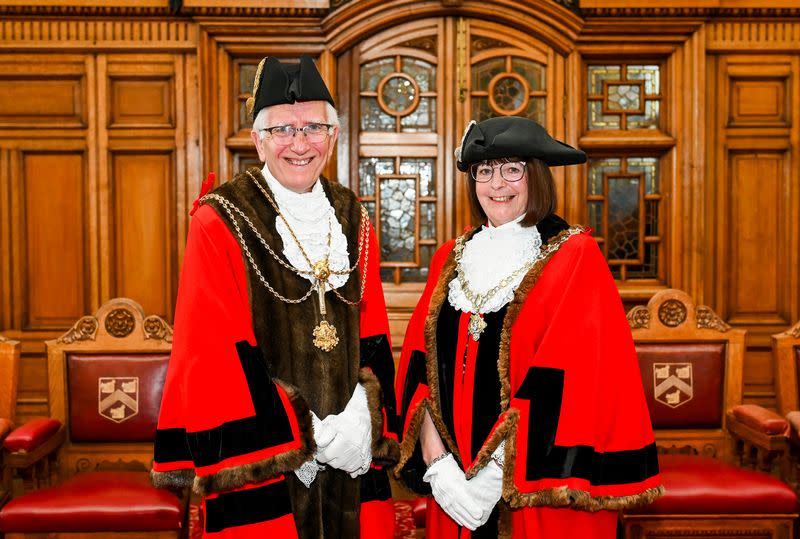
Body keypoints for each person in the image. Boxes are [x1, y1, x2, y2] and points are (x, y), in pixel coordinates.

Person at [151, 55, 399, 538]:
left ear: (333, 135)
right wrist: (305, 434)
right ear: (257, 140)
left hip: (350, 448)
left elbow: (373, 332)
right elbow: (214, 353)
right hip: (269, 459)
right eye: (283, 130)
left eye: (313, 127)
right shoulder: (219, 221)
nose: (300, 144)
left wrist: (362, 420)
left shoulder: (353, 215)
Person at [394, 116, 662, 538]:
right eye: (485, 170)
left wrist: (492, 478)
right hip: (452, 483)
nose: (497, 183)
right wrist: (438, 464)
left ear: (536, 176)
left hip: (539, 489)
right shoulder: (450, 257)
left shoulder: (575, 257)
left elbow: (573, 382)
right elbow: (418, 365)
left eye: (512, 169)